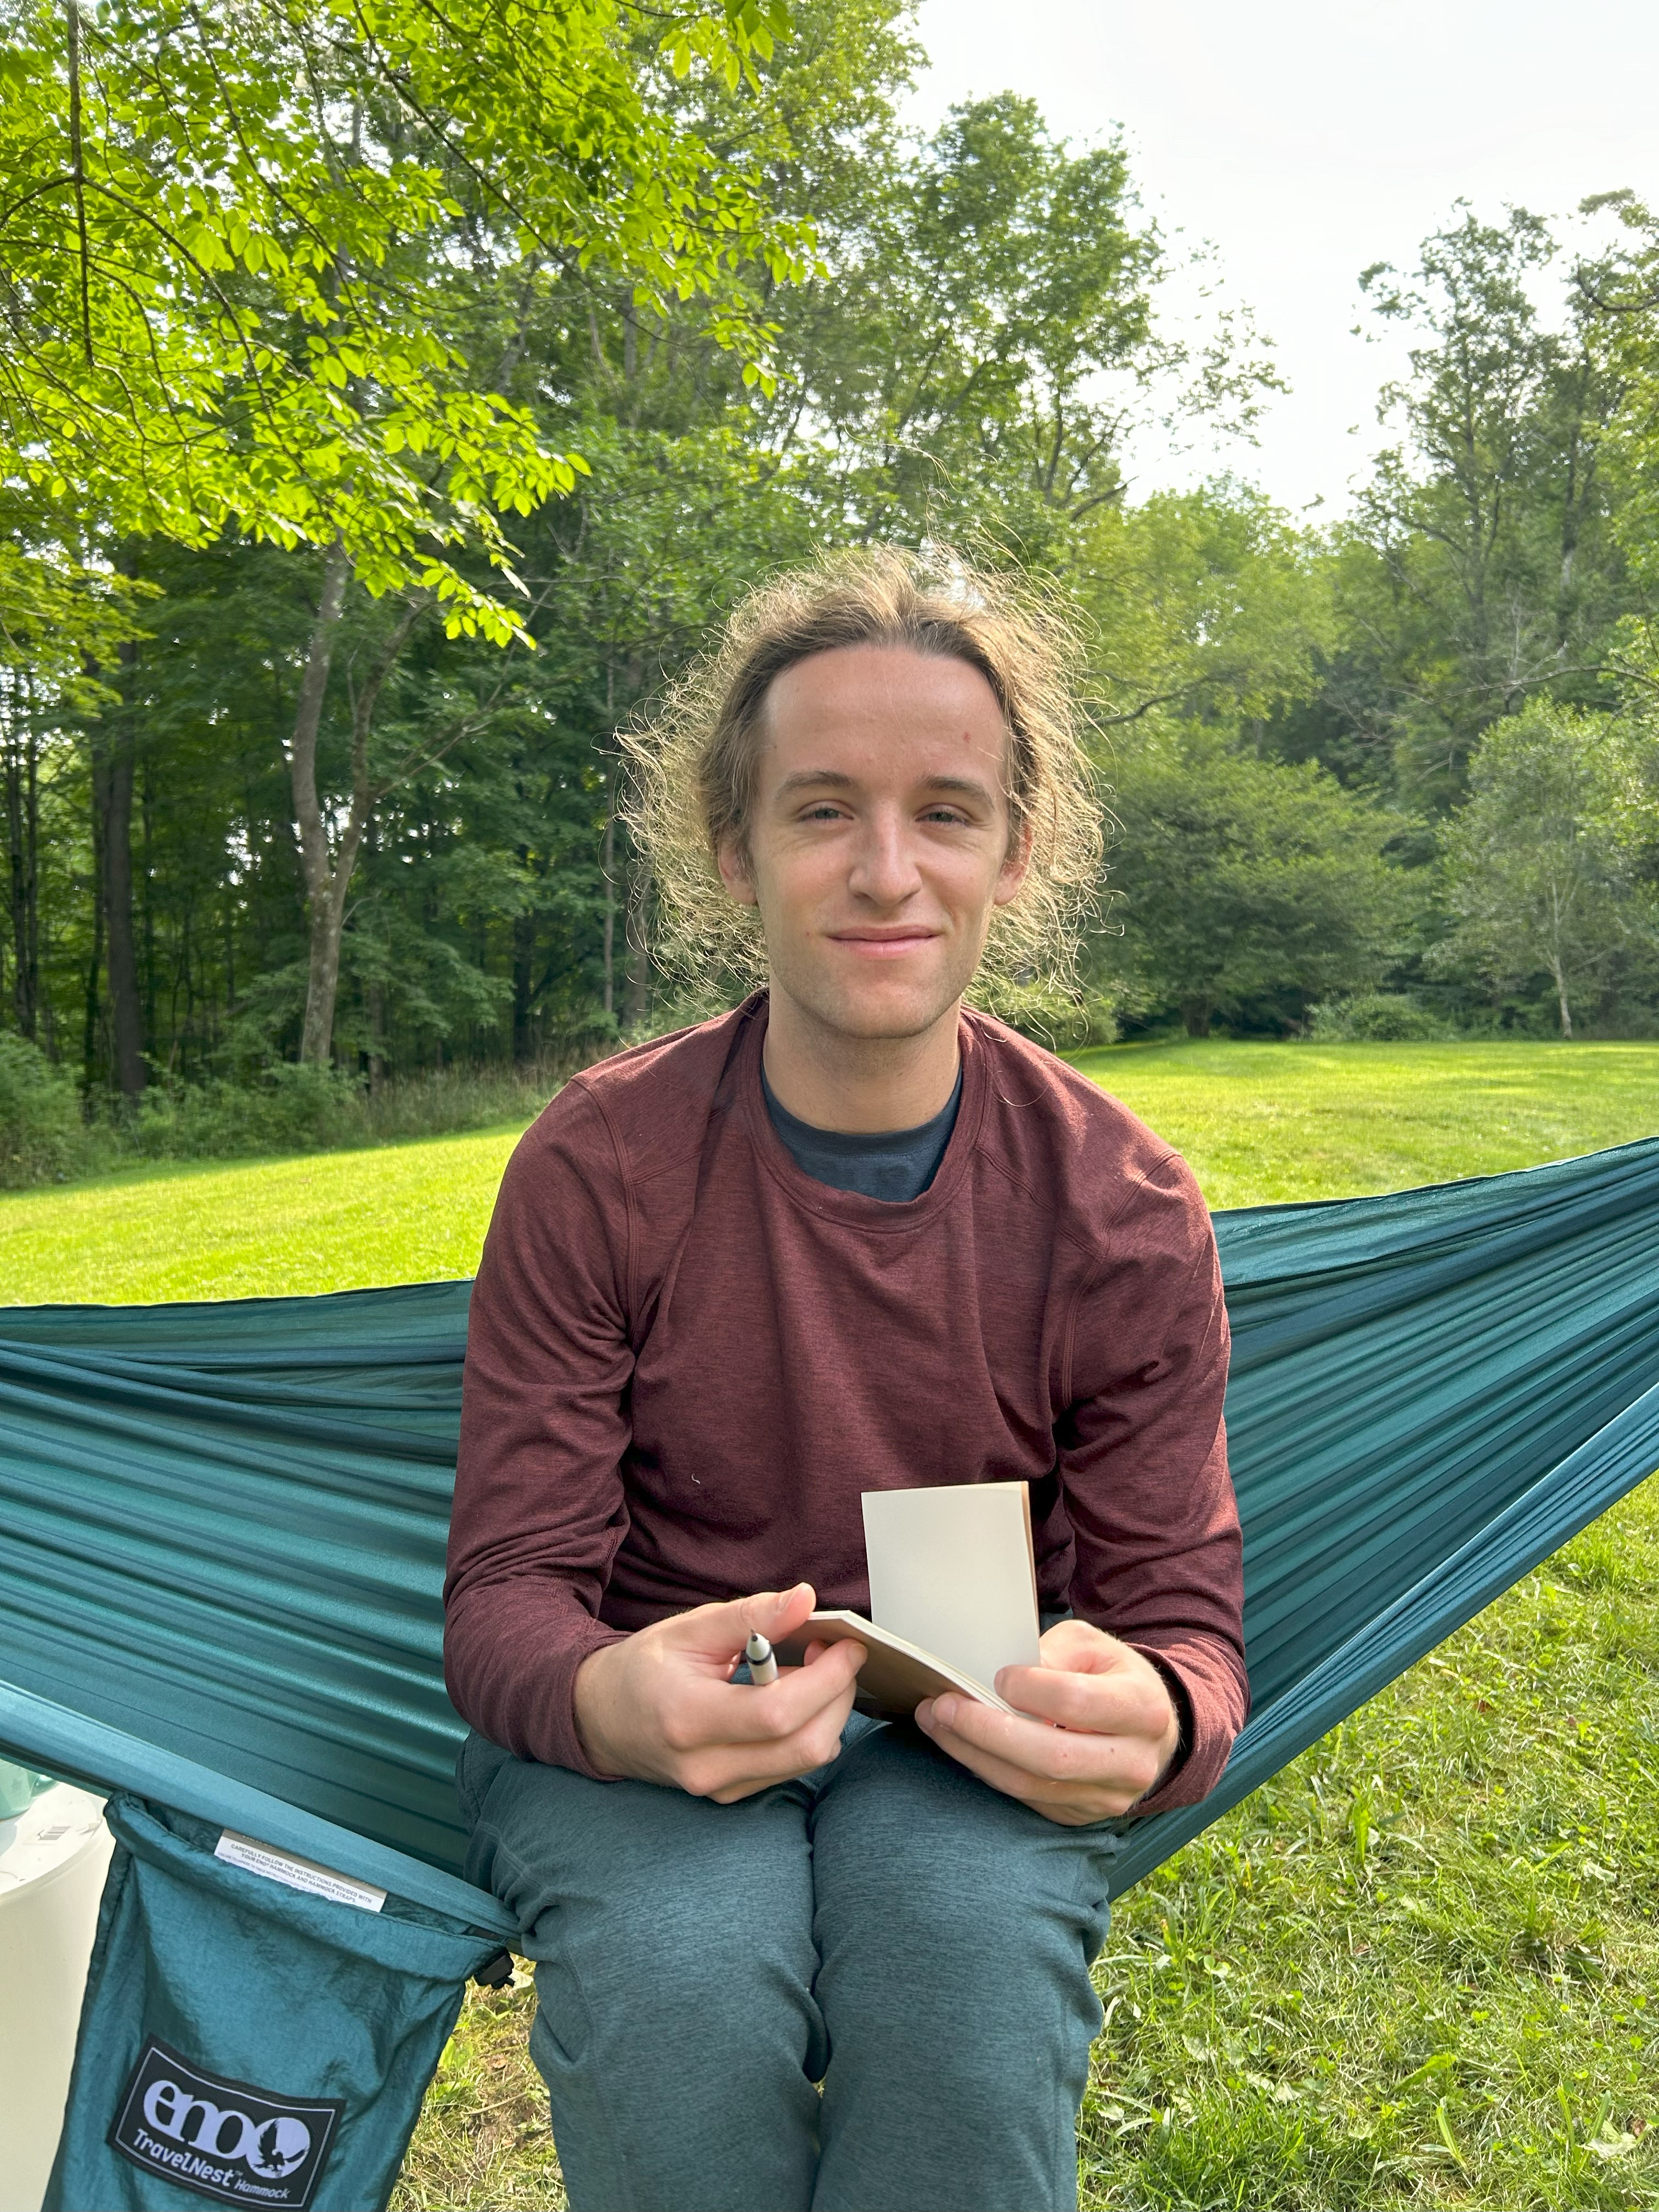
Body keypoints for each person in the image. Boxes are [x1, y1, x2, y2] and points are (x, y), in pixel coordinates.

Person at [443, 549, 1248, 2212]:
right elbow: (510, 1591)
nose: (888, 873)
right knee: (679, 1987)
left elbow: (1186, 1627)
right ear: (731, 851)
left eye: (945, 812)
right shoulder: (601, 1166)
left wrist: (1162, 1719)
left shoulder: (1120, 1203)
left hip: (964, 1731)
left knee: (968, 1989)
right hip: (654, 1720)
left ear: (1017, 850)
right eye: (822, 811)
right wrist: (608, 1700)